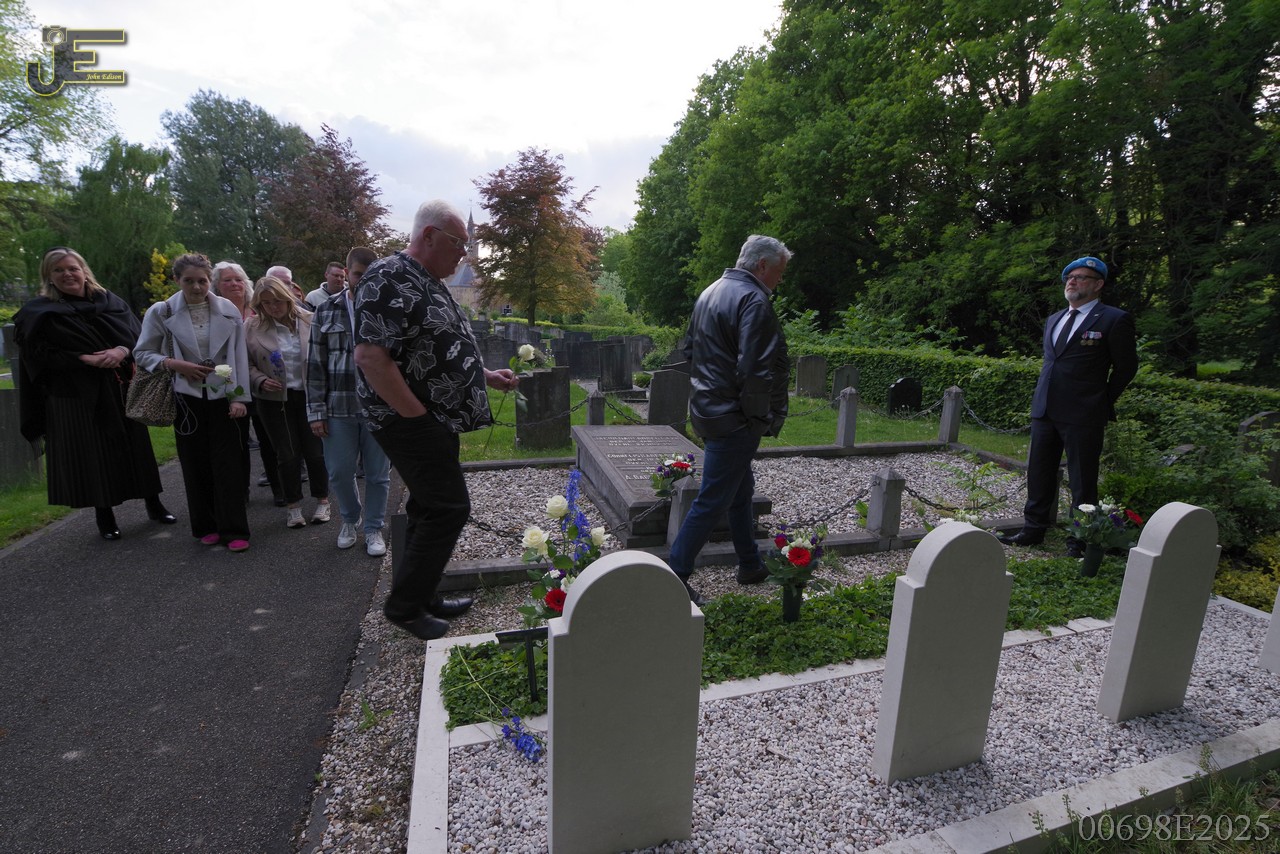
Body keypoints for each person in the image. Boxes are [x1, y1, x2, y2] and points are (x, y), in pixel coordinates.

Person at [354, 199, 518, 640]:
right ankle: (405, 607)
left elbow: (439, 343)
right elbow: (371, 357)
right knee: (449, 506)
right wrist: (418, 417)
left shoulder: (427, 280)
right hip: (407, 418)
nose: (464, 253)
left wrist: (484, 375)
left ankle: (422, 593)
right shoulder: (388, 276)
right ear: (428, 236)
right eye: (458, 243)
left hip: (432, 417)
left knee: (427, 506)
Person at [13, 247, 175, 540]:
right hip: (74, 395)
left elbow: (138, 336)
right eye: (59, 270)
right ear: (48, 276)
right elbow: (36, 356)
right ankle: (105, 516)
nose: (67, 274)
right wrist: (82, 358)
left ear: (84, 270)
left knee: (135, 448)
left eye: (72, 268)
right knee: (93, 455)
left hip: (118, 388)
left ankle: (154, 504)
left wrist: (121, 350)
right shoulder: (38, 312)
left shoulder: (110, 302)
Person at [667, 235, 791, 605]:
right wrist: (758, 416)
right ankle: (674, 577)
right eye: (780, 272)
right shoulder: (753, 299)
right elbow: (755, 369)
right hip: (734, 416)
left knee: (740, 488)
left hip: (708, 408)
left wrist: (712, 391)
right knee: (713, 499)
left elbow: (690, 351)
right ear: (763, 266)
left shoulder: (710, 292)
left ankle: (749, 563)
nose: (780, 280)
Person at [998, 256, 1139, 557]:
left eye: (1081, 277)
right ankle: (1033, 529)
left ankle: (1080, 539)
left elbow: (1126, 368)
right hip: (1045, 409)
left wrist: (1102, 400)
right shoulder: (1055, 318)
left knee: (1082, 479)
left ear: (1098, 284)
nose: (1072, 281)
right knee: (1039, 472)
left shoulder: (1114, 319)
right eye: (1069, 277)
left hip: (1084, 412)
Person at [135, 253, 253, 552]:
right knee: (195, 463)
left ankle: (234, 528)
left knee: (228, 465)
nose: (197, 287)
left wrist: (238, 397)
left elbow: (238, 356)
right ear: (176, 280)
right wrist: (174, 364)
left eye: (202, 281)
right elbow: (143, 353)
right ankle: (206, 525)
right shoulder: (161, 312)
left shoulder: (227, 309)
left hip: (223, 395)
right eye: (189, 281)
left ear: (210, 280)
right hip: (185, 397)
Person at [307, 247, 391, 556]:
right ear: (347, 273)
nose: (363, 280)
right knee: (340, 472)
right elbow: (315, 364)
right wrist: (316, 411)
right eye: (357, 274)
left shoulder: (388, 309)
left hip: (379, 408)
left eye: (370, 275)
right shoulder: (326, 310)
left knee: (378, 475)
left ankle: (373, 528)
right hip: (338, 407)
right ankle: (350, 519)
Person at [245, 276, 332, 529]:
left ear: (288, 298)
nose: (273, 307)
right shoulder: (252, 327)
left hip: (308, 396)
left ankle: (323, 500)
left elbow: (324, 357)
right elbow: (244, 362)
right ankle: (293, 506)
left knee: (315, 452)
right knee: (287, 454)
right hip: (274, 400)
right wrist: (260, 380)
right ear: (259, 304)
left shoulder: (309, 320)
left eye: (278, 301)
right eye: (266, 303)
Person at [213, 260, 283, 506]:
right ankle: (240, 490)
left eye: (238, 279)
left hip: (262, 383)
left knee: (269, 439)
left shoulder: (258, 309)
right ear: (217, 285)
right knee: (237, 442)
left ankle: (279, 487)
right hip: (231, 384)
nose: (234, 284)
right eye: (227, 280)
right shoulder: (214, 312)